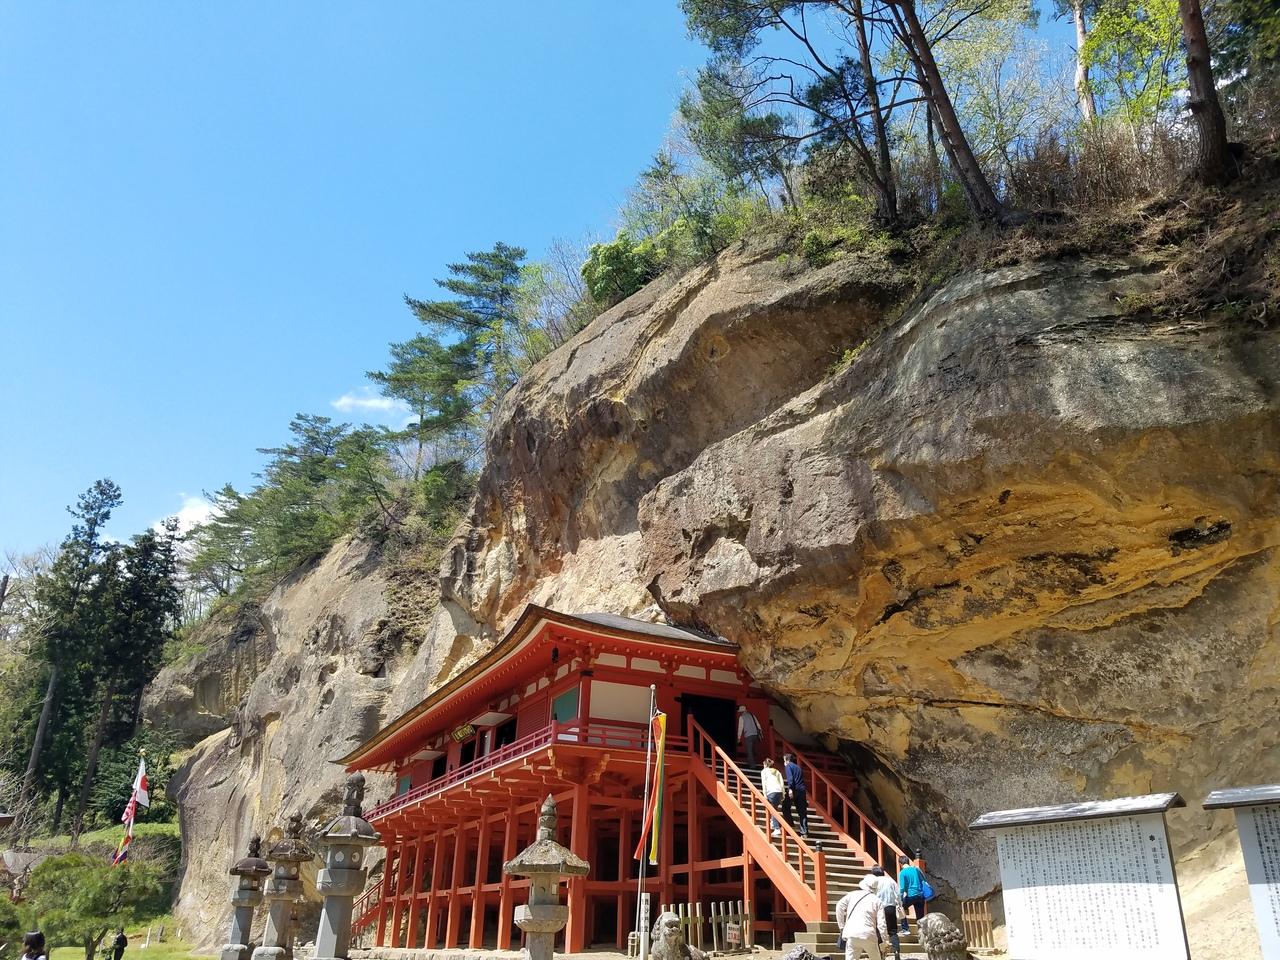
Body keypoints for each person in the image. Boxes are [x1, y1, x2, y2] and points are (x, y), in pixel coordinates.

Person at [835, 875, 887, 960]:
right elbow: (882, 924)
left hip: (852, 933)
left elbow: (839, 906)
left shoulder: (852, 894)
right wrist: (884, 941)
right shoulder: (877, 900)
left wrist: (841, 926)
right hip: (869, 934)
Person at [871, 865, 902, 960]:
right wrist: (899, 904)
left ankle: (881, 952)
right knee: (893, 931)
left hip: (878, 908)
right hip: (890, 907)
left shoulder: (874, 882)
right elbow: (898, 893)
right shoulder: (890, 880)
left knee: (878, 931)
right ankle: (896, 951)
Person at [897, 853, 926, 933]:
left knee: (901, 908)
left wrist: (900, 900)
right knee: (920, 917)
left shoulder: (902, 873)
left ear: (900, 864)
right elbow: (924, 880)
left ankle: (905, 928)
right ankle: (922, 933)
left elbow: (902, 888)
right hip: (920, 895)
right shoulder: (916, 869)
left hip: (911, 895)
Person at [781, 752, 808, 836]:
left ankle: (790, 825)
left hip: (794, 789)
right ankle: (804, 831)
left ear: (786, 760)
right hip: (802, 790)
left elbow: (790, 778)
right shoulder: (798, 767)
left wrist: (790, 789)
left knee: (785, 806)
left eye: (784, 760)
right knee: (802, 811)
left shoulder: (788, 766)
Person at [760, 758, 785, 837]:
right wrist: (783, 793)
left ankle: (776, 828)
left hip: (771, 792)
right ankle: (773, 822)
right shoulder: (777, 771)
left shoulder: (764, 771)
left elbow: (764, 783)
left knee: (773, 810)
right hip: (779, 791)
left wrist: (764, 794)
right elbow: (782, 783)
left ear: (765, 764)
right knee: (774, 808)